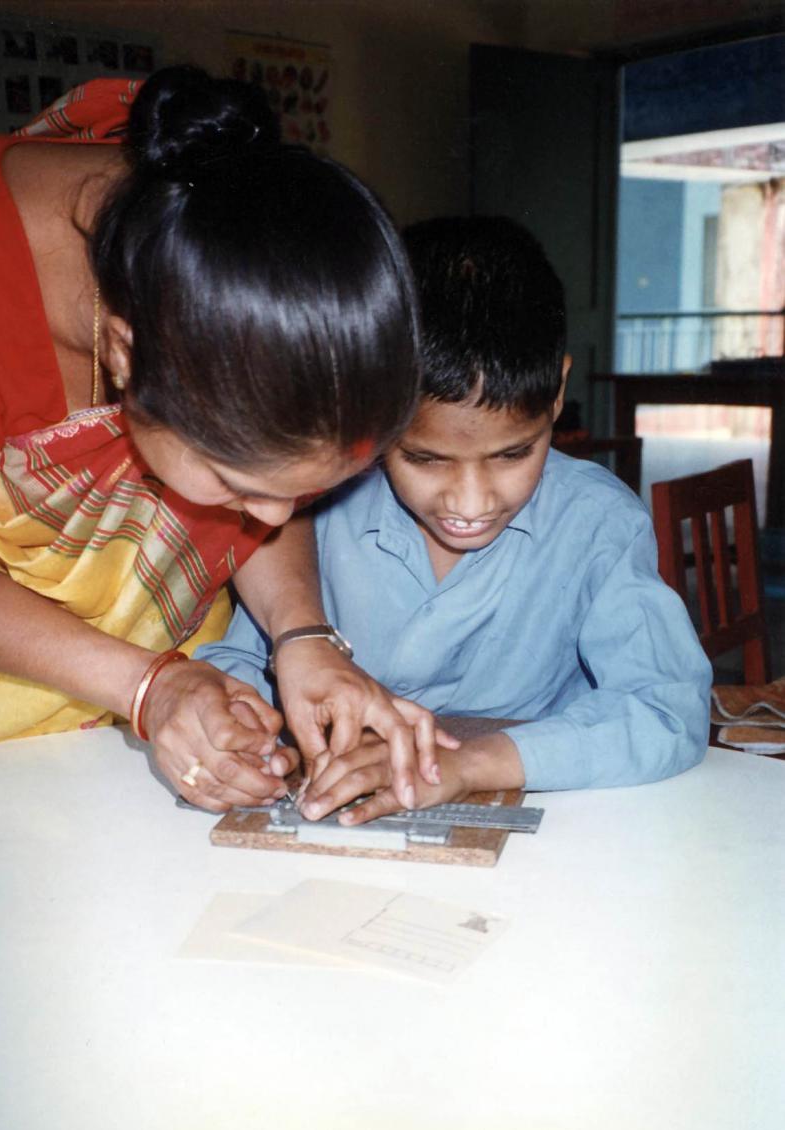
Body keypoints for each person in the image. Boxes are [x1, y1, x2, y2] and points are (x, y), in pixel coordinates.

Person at [0, 66, 456, 812]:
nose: (271, 521)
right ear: (125, 357)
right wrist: (149, 686)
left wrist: (304, 636)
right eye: (239, 485)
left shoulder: (218, 210)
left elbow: (276, 461)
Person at [198, 215, 712, 823]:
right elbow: (240, 660)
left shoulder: (599, 522)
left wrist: (468, 765)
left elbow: (667, 710)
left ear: (557, 394)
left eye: (514, 453)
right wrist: (235, 726)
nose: (470, 503)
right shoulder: (311, 513)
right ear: (375, 410)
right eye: (424, 458)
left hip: (550, 843)